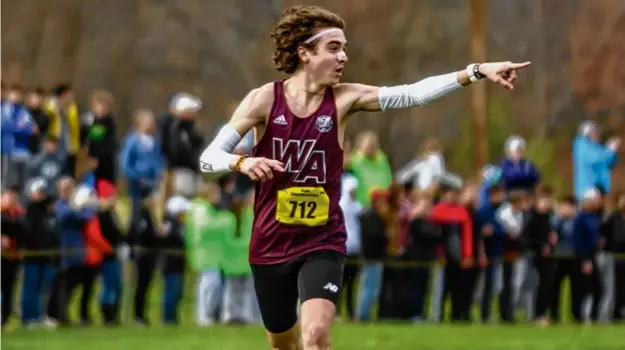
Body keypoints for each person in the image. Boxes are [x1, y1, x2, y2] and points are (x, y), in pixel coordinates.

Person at [198, 5, 530, 349]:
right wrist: (241, 164)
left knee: (315, 336)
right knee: (284, 344)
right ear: (304, 53)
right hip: (270, 242)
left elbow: (413, 93)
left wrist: (475, 71)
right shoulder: (264, 100)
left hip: (321, 240)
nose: (343, 57)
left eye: (344, 48)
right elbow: (209, 158)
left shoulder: (345, 99)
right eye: (333, 48)